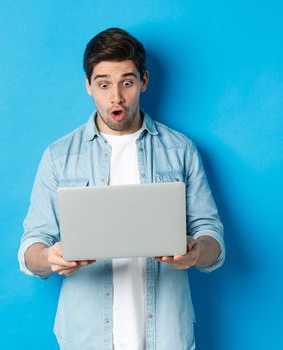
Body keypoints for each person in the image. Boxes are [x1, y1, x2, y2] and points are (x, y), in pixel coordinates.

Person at [17, 27, 225, 350]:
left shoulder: (181, 150)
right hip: (86, 338)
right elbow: (31, 248)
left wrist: (197, 251)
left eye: (126, 82)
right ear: (88, 86)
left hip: (167, 336)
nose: (115, 97)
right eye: (103, 84)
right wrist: (49, 257)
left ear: (144, 81)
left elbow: (211, 235)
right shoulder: (58, 157)